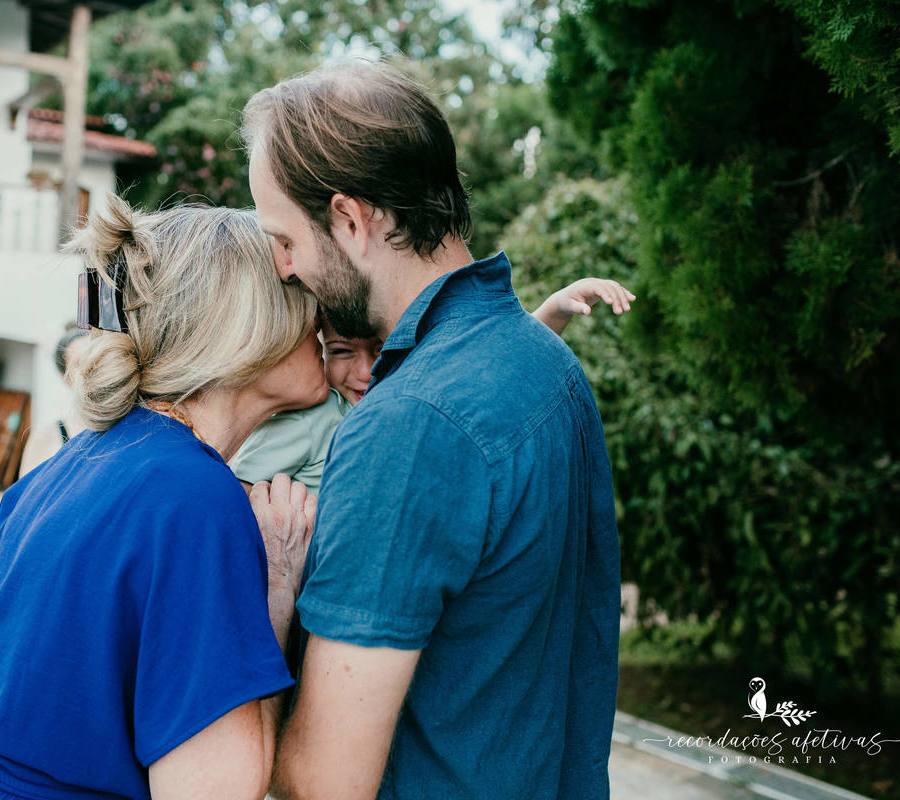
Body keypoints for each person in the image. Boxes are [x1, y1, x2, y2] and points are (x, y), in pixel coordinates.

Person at [242, 59, 623, 799]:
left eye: (283, 238)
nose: (283, 269)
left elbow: (322, 782)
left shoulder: (408, 426)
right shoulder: (545, 361)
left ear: (351, 220)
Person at [0, 201, 324, 800]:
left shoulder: (77, 460)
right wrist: (279, 587)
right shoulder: (195, 498)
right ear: (250, 329)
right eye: (300, 294)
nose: (323, 319)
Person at [231, 278, 634, 495]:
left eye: (382, 348)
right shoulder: (313, 418)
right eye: (341, 352)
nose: (366, 371)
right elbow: (236, 494)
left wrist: (553, 311)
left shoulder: (414, 392)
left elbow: (492, 369)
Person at [17, 325, 87, 476]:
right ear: (66, 378)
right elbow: (27, 496)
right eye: (79, 363)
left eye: (97, 359)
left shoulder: (126, 430)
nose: (91, 368)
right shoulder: (46, 437)